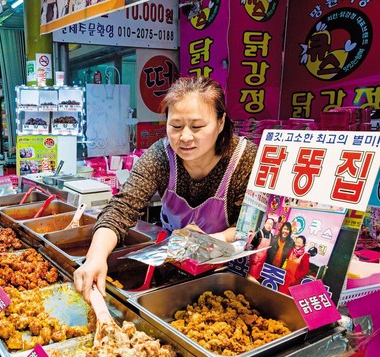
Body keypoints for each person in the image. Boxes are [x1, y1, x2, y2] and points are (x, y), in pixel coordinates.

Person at [74, 76, 258, 300]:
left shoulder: (245, 159)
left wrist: (217, 239)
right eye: (176, 126)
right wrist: (95, 257)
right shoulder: (161, 155)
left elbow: (253, 227)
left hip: (228, 274)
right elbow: (122, 208)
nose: (185, 137)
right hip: (173, 264)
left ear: (221, 123)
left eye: (197, 126)